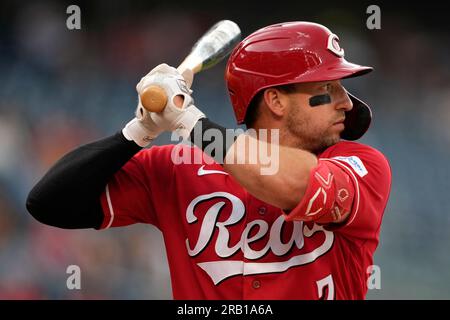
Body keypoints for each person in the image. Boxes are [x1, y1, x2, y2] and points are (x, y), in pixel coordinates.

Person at [26, 21, 391, 299]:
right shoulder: (180, 168)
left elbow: (290, 183)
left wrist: (189, 122)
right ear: (276, 101)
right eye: (328, 88)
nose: (346, 102)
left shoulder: (361, 164)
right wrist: (139, 131)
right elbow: (50, 204)